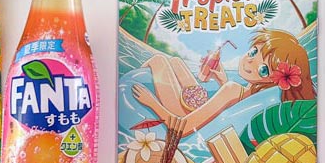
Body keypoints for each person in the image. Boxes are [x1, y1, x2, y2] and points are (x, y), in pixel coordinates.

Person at [132, 29, 314, 138]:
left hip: (183, 122)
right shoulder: (260, 93)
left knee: (159, 61)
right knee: (177, 62)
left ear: (276, 79)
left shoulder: (233, 89)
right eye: (253, 52)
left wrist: (151, 102)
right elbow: (237, 106)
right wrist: (223, 81)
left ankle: (132, 81)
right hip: (207, 119)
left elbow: (183, 127)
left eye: (263, 69)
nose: (249, 61)